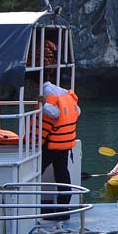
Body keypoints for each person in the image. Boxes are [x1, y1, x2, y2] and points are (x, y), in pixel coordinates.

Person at [40, 80, 80, 219]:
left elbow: (54, 113)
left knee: (36, 171)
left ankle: (30, 205)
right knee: (62, 174)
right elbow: (78, 111)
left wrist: (42, 103)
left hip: (52, 143)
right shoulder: (64, 93)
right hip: (65, 143)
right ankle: (64, 209)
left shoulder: (48, 92)